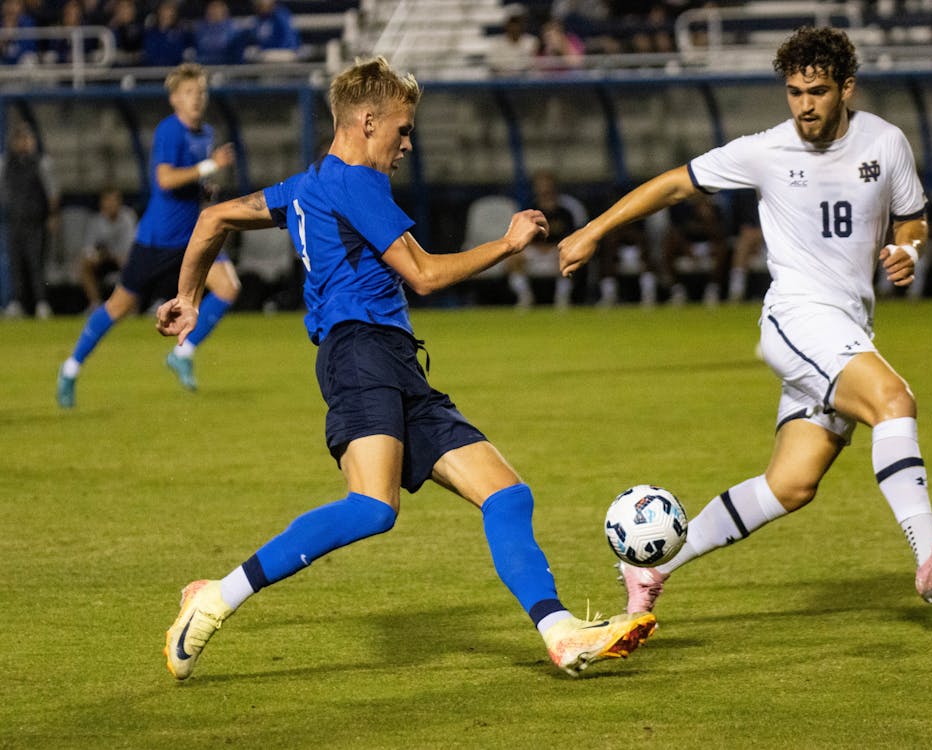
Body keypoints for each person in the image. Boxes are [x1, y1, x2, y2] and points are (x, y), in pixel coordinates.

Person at [156, 56, 655, 682]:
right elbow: (423, 274)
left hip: (391, 359)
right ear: (367, 121)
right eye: (403, 128)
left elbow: (214, 217)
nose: (407, 143)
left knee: (506, 493)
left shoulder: (309, 185)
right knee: (372, 507)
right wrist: (507, 244)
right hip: (358, 353)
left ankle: (561, 634)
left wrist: (191, 296)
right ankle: (213, 599)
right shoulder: (357, 184)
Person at [558, 27, 932, 614]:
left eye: (816, 92)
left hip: (847, 327)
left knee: (790, 485)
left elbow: (911, 218)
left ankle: (649, 570)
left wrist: (909, 251)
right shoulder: (765, 150)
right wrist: (591, 230)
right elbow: (672, 186)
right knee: (894, 399)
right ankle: (929, 555)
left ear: (846, 88)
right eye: (793, 92)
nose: (804, 105)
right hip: (797, 319)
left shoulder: (886, 143)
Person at [56, 62, 238, 407]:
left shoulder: (207, 133)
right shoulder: (170, 131)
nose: (197, 98)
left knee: (229, 287)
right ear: (174, 99)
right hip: (157, 240)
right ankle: (70, 368)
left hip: (190, 238)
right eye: (189, 93)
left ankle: (182, 353)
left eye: (201, 91)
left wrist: (205, 187)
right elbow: (166, 180)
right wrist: (209, 167)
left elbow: (191, 181)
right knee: (119, 306)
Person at [1, 124, 58, 319]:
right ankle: (18, 302)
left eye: (26, 138)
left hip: (35, 221)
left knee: (36, 263)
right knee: (16, 263)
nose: (23, 143)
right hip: (14, 220)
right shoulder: (6, 163)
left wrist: (52, 215)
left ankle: (42, 303)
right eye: (19, 139)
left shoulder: (41, 162)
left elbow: (52, 193)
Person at [506, 169, 585, 309]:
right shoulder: (530, 210)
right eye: (540, 185)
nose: (544, 189)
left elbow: (574, 237)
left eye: (547, 185)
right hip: (534, 251)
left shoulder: (566, 211)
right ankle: (525, 297)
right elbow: (521, 236)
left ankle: (562, 298)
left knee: (569, 255)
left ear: (554, 187)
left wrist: (554, 247)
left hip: (557, 250)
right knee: (513, 259)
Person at [78, 186, 138, 309]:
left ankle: (131, 307)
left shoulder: (128, 217)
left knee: (132, 263)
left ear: (119, 202)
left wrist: (115, 256)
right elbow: (88, 249)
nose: (110, 204)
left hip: (124, 260)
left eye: (113, 200)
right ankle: (95, 304)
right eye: (107, 200)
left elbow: (132, 247)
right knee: (85, 264)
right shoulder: (96, 221)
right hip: (104, 261)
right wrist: (96, 256)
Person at [485, 3, 539, 76]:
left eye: (519, 21)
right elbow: (494, 67)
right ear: (506, 23)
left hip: (526, 84)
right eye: (513, 21)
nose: (516, 26)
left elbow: (532, 66)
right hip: (502, 83)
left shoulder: (532, 41)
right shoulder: (496, 43)